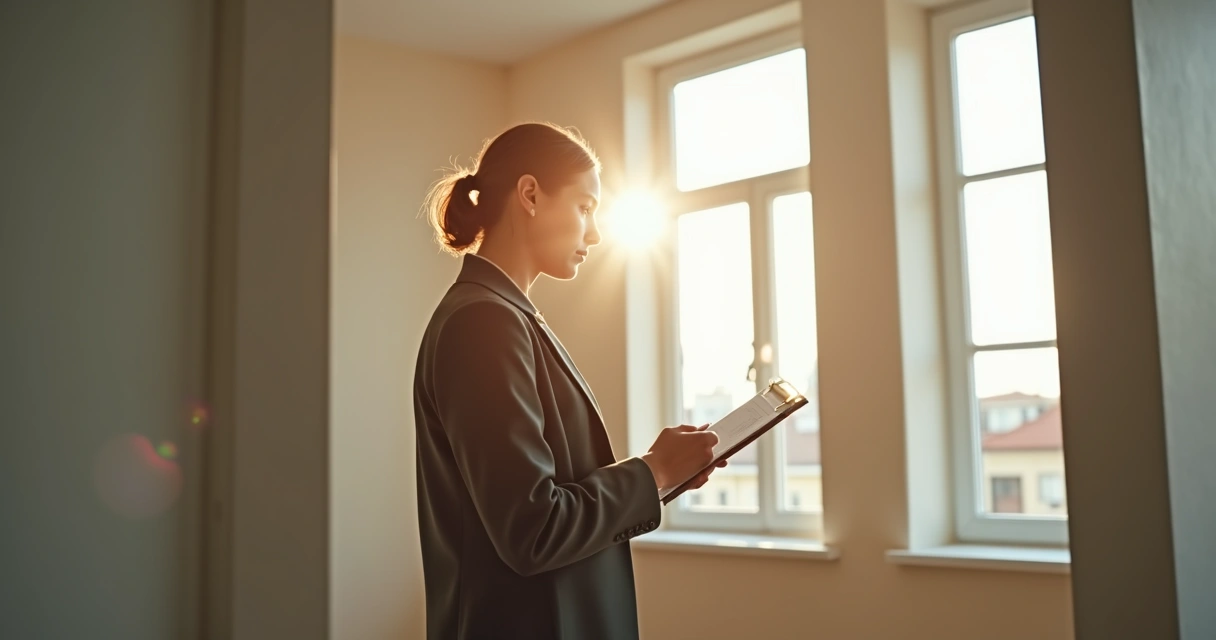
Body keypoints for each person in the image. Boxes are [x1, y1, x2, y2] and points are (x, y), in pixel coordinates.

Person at [413, 122, 724, 640]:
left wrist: (662, 475)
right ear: (530, 194)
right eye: (585, 207)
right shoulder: (483, 323)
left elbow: (550, 497)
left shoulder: (505, 316)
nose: (596, 233)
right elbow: (532, 528)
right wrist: (651, 471)